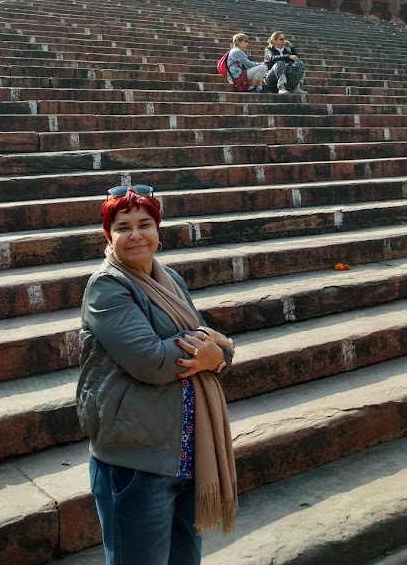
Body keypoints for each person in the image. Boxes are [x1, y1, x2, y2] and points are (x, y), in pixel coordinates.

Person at [77, 184, 238, 565]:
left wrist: (215, 352)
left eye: (144, 224)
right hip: (137, 463)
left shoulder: (169, 280)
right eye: (123, 227)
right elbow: (153, 360)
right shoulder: (107, 288)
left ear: (157, 230)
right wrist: (209, 343)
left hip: (185, 454)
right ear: (108, 235)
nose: (136, 235)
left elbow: (220, 353)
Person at [264, 31, 306, 95]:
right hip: (271, 76)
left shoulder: (285, 51)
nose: (284, 41)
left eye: (284, 39)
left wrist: (291, 47)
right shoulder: (269, 49)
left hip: (284, 74)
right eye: (281, 39)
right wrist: (288, 56)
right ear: (275, 40)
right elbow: (272, 58)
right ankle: (281, 87)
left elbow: (296, 58)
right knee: (280, 63)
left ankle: (296, 87)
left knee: (300, 64)